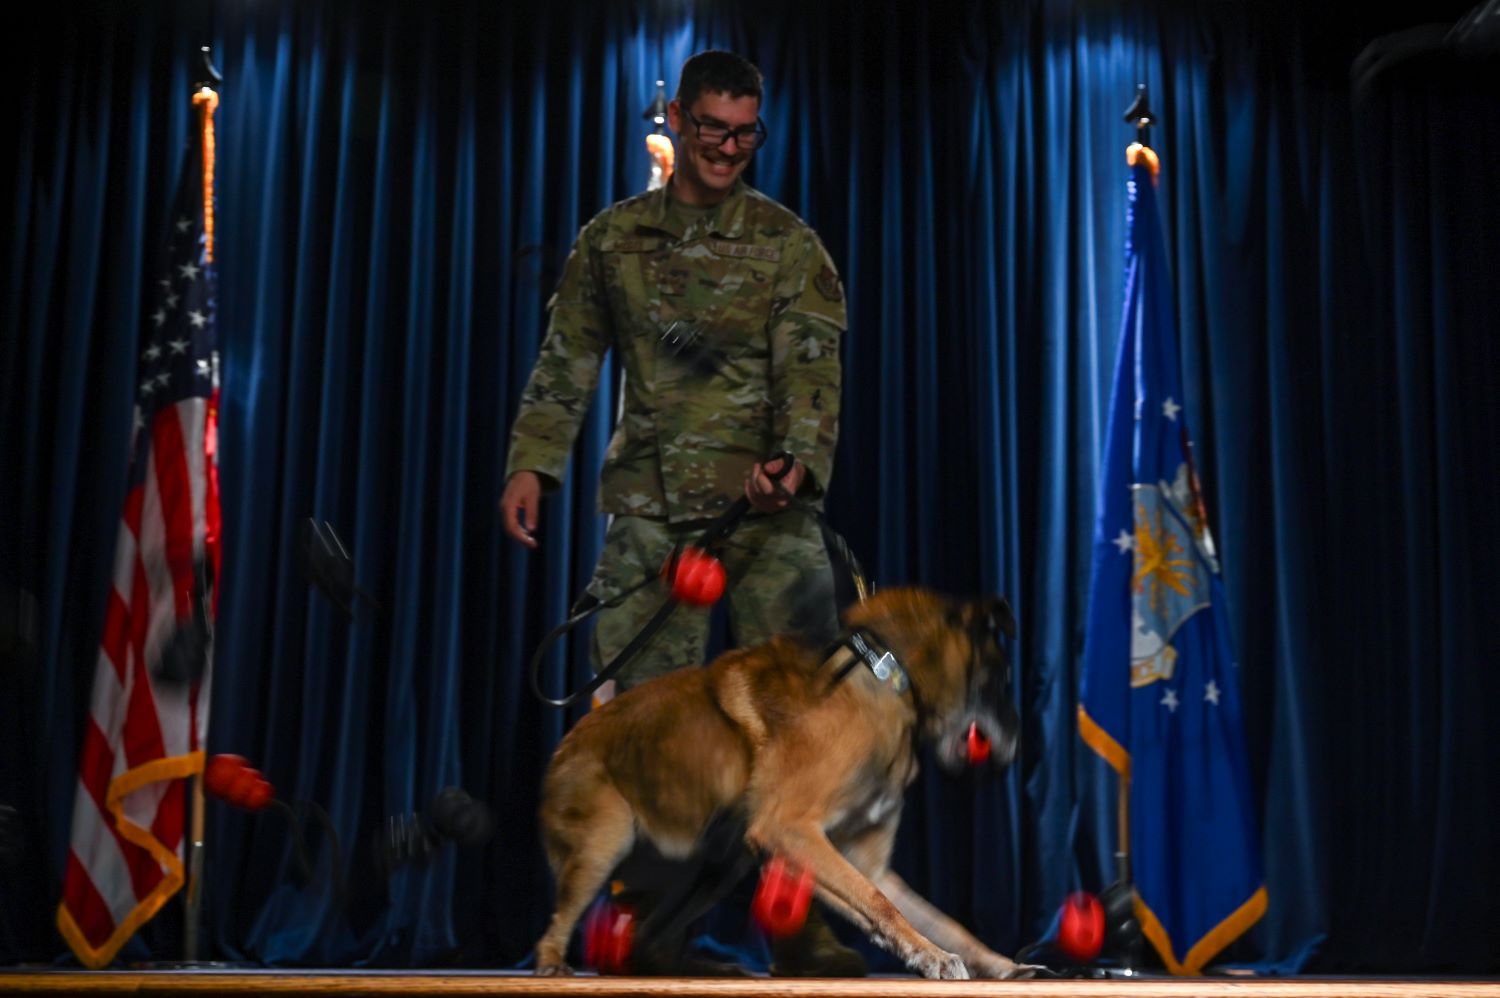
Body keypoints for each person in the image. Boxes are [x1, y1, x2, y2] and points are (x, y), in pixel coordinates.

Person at [499, 50, 863, 976]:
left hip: (766, 519)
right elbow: (566, 362)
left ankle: (811, 930)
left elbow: (813, 375)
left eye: (746, 134)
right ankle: (658, 936)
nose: (728, 149)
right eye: (712, 129)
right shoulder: (612, 241)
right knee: (658, 735)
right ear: (677, 117)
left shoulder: (788, 245)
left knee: (807, 724)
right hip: (655, 520)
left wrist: (795, 462)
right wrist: (533, 464)